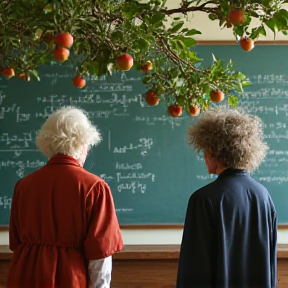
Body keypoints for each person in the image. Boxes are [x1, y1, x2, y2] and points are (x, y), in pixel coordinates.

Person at [7, 106, 123, 288]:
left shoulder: (23, 186)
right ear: (82, 143)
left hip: (24, 276)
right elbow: (100, 256)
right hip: (69, 277)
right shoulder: (95, 188)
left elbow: (16, 244)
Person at [176, 107, 277, 288]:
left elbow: (194, 269)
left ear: (216, 151)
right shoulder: (263, 196)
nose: (204, 157)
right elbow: (270, 264)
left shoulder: (203, 199)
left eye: (206, 150)